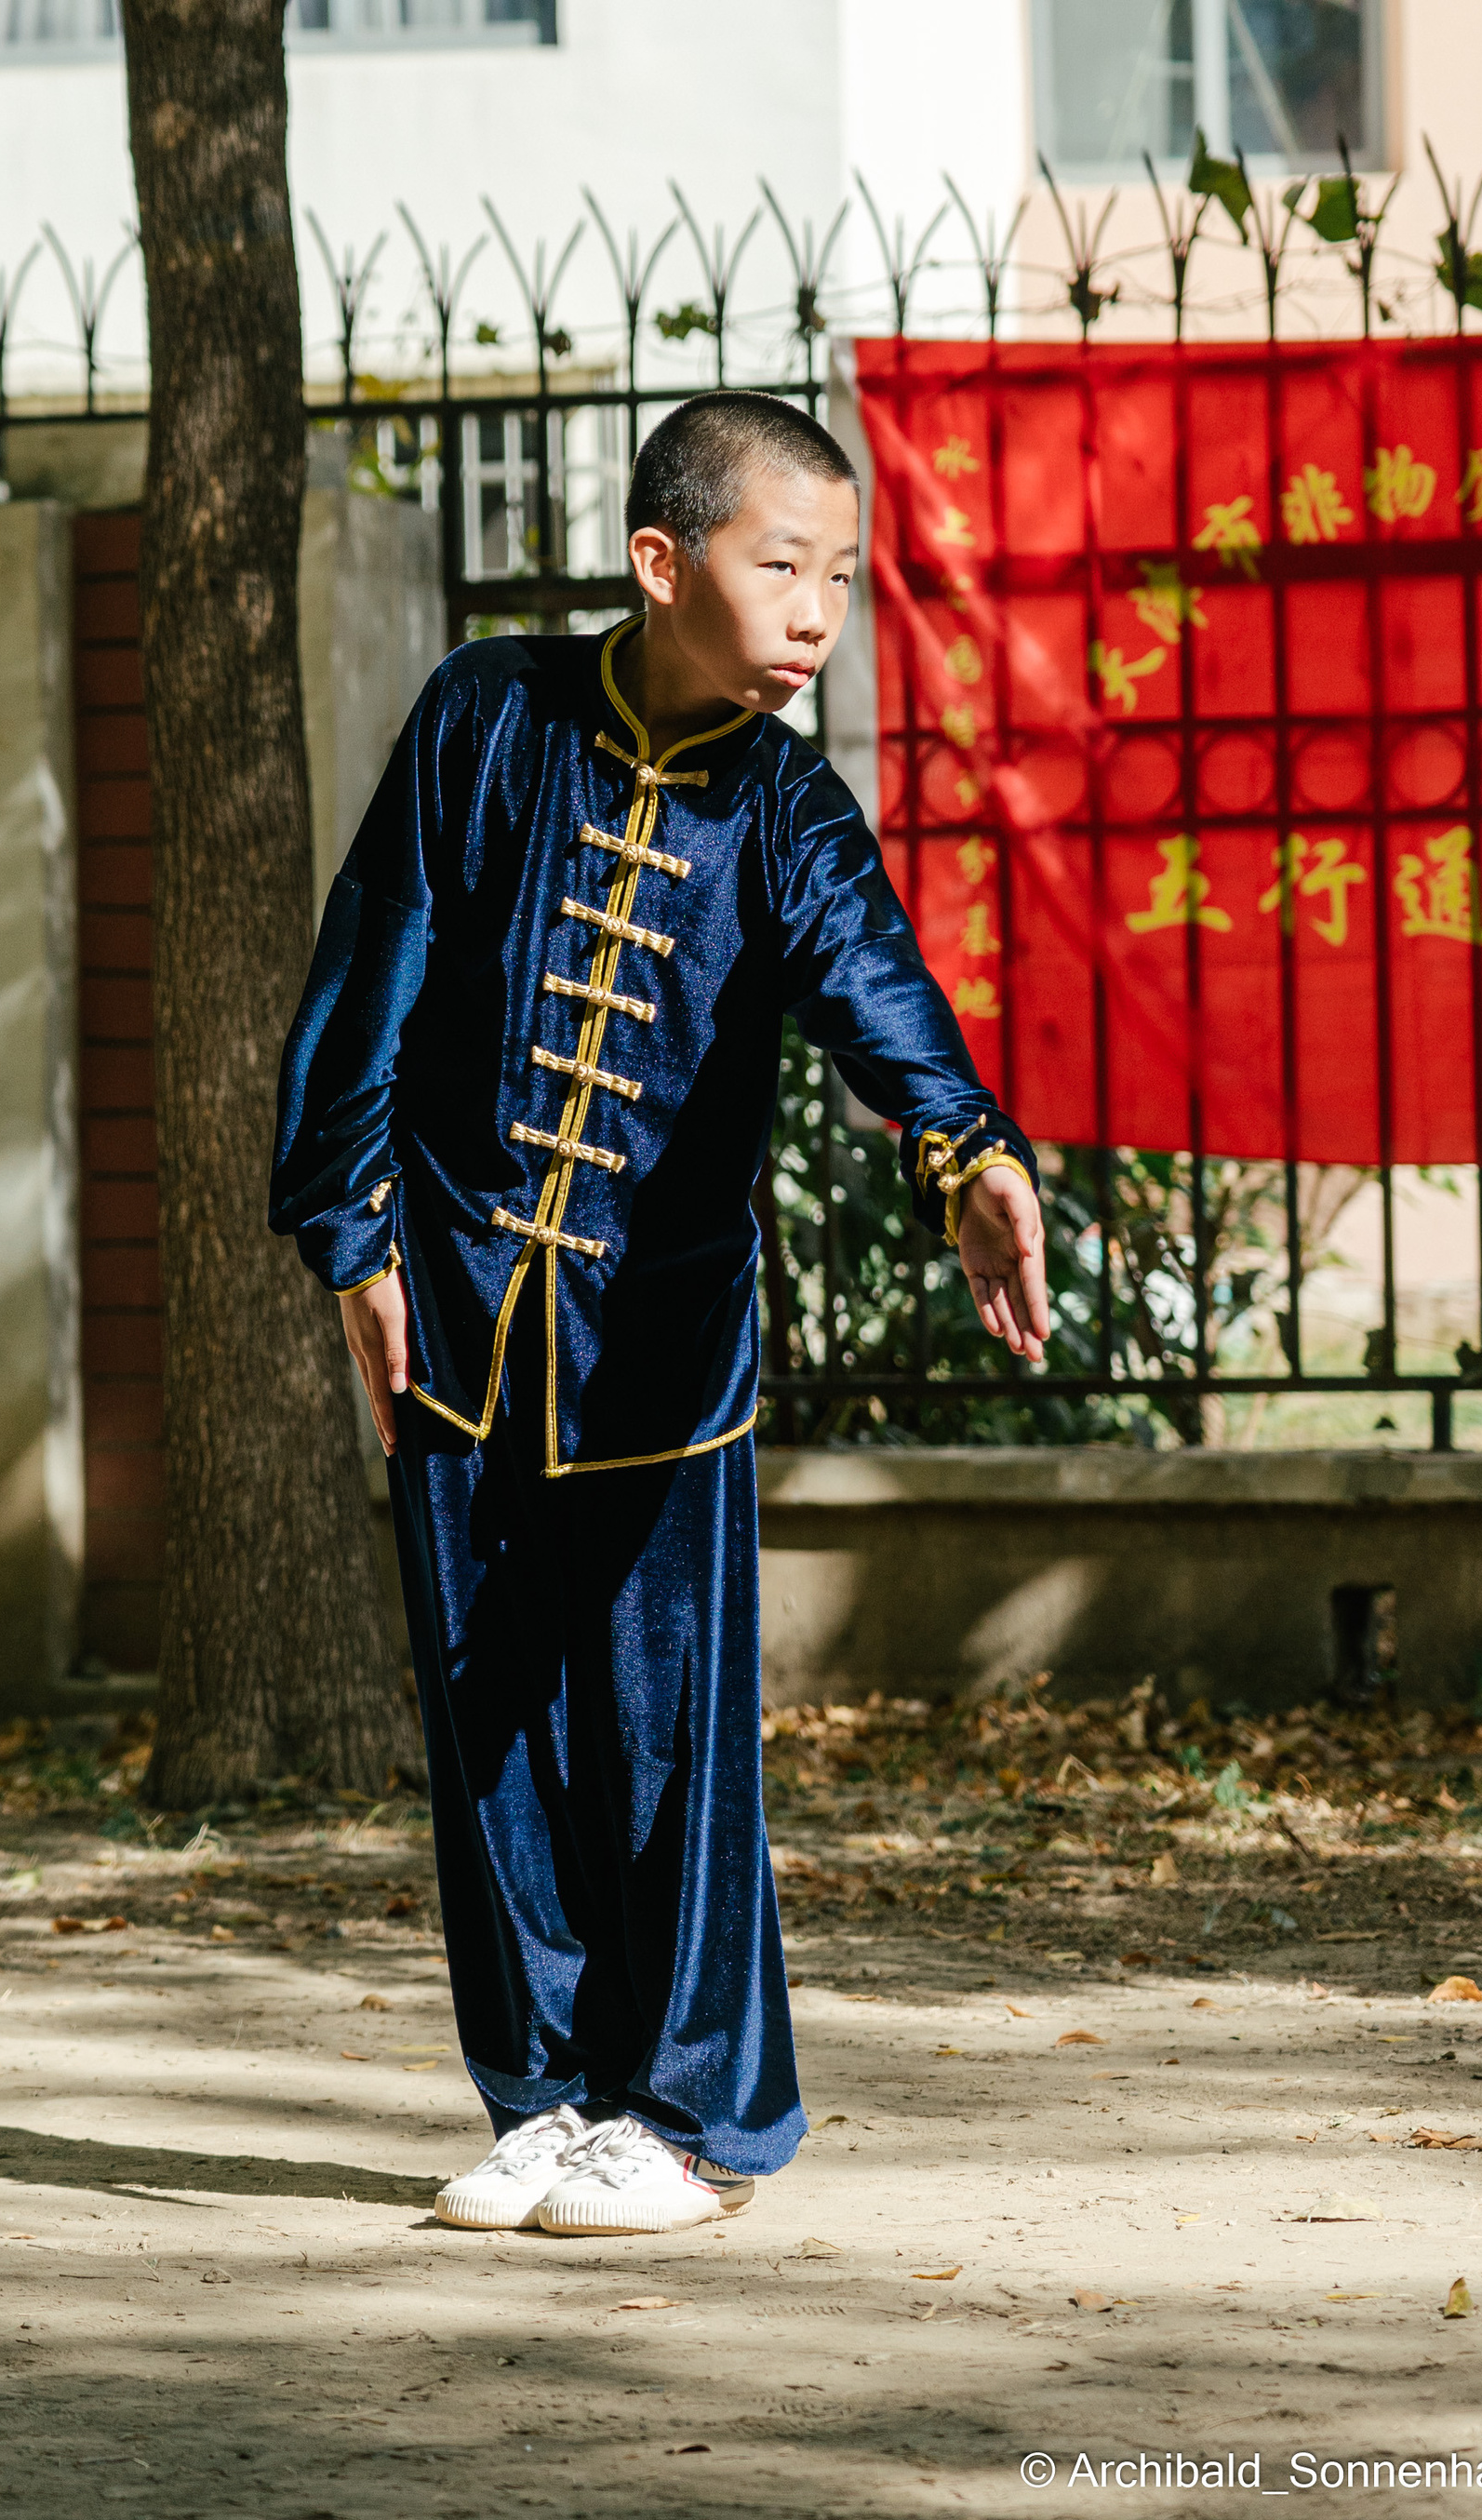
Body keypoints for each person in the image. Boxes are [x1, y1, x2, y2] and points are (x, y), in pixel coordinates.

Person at [269, 390, 1049, 2236]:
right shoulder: (488, 716)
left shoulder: (784, 807)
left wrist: (967, 1156)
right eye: (777, 565)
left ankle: (695, 2119)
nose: (811, 615)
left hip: (661, 1351)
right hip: (456, 1308)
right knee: (485, 1721)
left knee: (663, 1738)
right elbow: (373, 957)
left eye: (838, 580)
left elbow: (877, 990)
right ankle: (539, 2096)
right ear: (657, 561)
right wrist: (349, 1232)